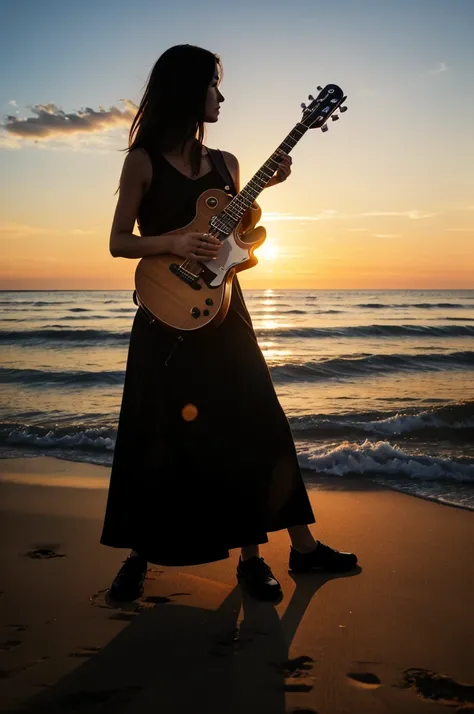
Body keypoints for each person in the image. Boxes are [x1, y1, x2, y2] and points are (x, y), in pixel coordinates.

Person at [100, 44, 358, 602]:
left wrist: (265, 197)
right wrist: (173, 241)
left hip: (224, 311)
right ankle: (139, 556)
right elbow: (119, 241)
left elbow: (238, 245)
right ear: (189, 90)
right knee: (158, 435)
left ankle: (267, 557)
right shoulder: (141, 160)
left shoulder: (229, 165)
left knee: (258, 423)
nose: (221, 96)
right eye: (215, 86)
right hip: (162, 315)